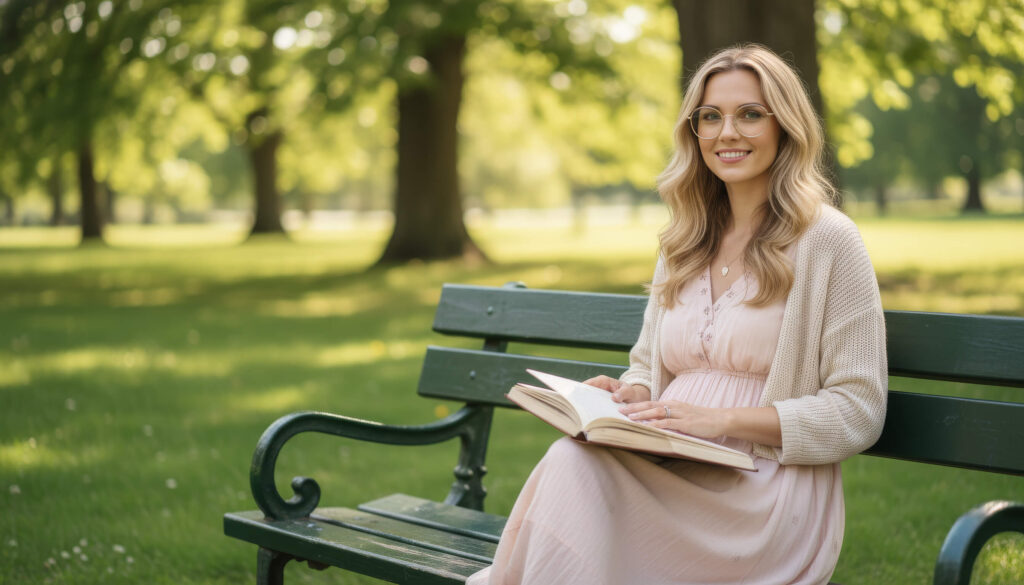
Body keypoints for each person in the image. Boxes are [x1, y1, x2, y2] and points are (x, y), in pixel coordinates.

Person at [466, 43, 887, 585]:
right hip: (668, 462)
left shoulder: (828, 241)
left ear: (786, 126)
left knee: (575, 486)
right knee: (572, 461)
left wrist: (721, 421)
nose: (726, 133)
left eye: (749, 115)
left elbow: (859, 408)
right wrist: (633, 394)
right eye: (710, 117)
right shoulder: (685, 241)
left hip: (762, 491)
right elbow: (647, 365)